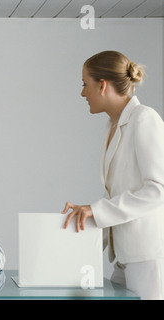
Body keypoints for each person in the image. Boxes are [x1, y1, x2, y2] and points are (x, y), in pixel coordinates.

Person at [62, 51, 164, 300]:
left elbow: (158, 189)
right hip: (123, 255)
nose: (82, 93)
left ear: (103, 85)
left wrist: (97, 211)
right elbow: (118, 192)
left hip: (147, 255)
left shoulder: (144, 119)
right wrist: (88, 214)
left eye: (85, 84)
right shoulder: (111, 126)